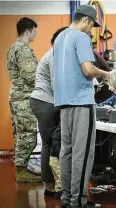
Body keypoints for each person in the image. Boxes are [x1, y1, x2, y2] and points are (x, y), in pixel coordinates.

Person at [53, 5, 108, 208]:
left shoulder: (59, 38)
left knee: (66, 152)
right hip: (82, 102)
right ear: (85, 20)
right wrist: (106, 74)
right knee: (82, 153)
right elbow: (87, 69)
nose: (91, 29)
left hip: (63, 102)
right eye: (92, 25)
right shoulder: (81, 37)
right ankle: (78, 201)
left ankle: (68, 198)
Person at [29, 27, 67, 197]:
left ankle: (50, 186)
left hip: (42, 101)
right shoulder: (55, 55)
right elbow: (56, 84)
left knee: (48, 143)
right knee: (50, 143)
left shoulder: (54, 53)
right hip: (45, 101)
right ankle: (53, 186)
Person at [6, 17, 41, 183]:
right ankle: (21, 171)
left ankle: (22, 167)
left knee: (20, 134)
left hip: (16, 96)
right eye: (35, 30)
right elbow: (30, 77)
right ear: (28, 31)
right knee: (28, 134)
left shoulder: (13, 48)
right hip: (24, 98)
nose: (36, 34)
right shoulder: (23, 49)